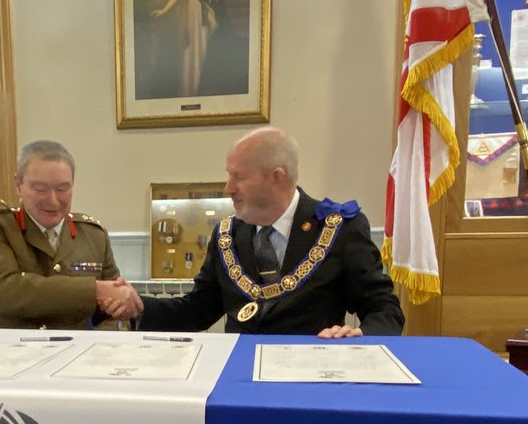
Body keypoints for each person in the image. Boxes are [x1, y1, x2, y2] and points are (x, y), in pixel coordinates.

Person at [139, 127, 404, 337]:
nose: (228, 188)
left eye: (238, 177)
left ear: (276, 177)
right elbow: (197, 311)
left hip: (307, 383)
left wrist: (361, 336)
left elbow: (383, 308)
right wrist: (136, 306)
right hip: (238, 383)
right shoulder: (226, 235)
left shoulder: (339, 228)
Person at [0, 140, 142, 329]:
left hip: (79, 352)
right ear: (19, 185)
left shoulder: (93, 235)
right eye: (40, 189)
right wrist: (95, 290)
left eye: (62, 189)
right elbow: (5, 292)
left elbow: (114, 312)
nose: (53, 201)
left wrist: (101, 342)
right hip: (12, 352)